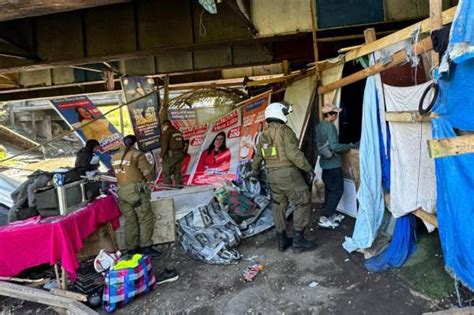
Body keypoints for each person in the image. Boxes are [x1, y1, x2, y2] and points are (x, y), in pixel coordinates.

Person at [252, 102, 316, 253]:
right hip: (287, 173)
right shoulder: (285, 131)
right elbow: (294, 154)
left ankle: (282, 241)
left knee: (279, 204)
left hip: (272, 175)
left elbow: (258, 157)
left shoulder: (263, 135)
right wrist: (308, 169)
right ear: (279, 113)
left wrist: (255, 172)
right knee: (303, 201)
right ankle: (298, 241)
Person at [111, 135, 159, 256]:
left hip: (121, 191)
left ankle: (132, 248)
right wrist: (151, 180)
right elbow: (148, 172)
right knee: (145, 218)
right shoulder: (137, 155)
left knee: (130, 220)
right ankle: (146, 247)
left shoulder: (114, 157)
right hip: (136, 191)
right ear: (134, 143)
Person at [315, 103, 354, 229]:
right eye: (336, 113)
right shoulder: (330, 127)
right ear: (330, 115)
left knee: (329, 191)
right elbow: (335, 147)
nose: (337, 116)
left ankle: (329, 214)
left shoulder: (319, 126)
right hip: (333, 164)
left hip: (325, 165)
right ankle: (325, 217)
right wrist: (349, 146)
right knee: (337, 191)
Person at [160, 120, 185, 187]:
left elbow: (164, 146)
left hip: (171, 155)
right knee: (177, 172)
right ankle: (179, 186)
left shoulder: (166, 132)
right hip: (180, 154)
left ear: (165, 125)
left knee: (166, 172)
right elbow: (183, 144)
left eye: (163, 127)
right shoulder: (178, 132)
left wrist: (161, 156)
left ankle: (168, 189)